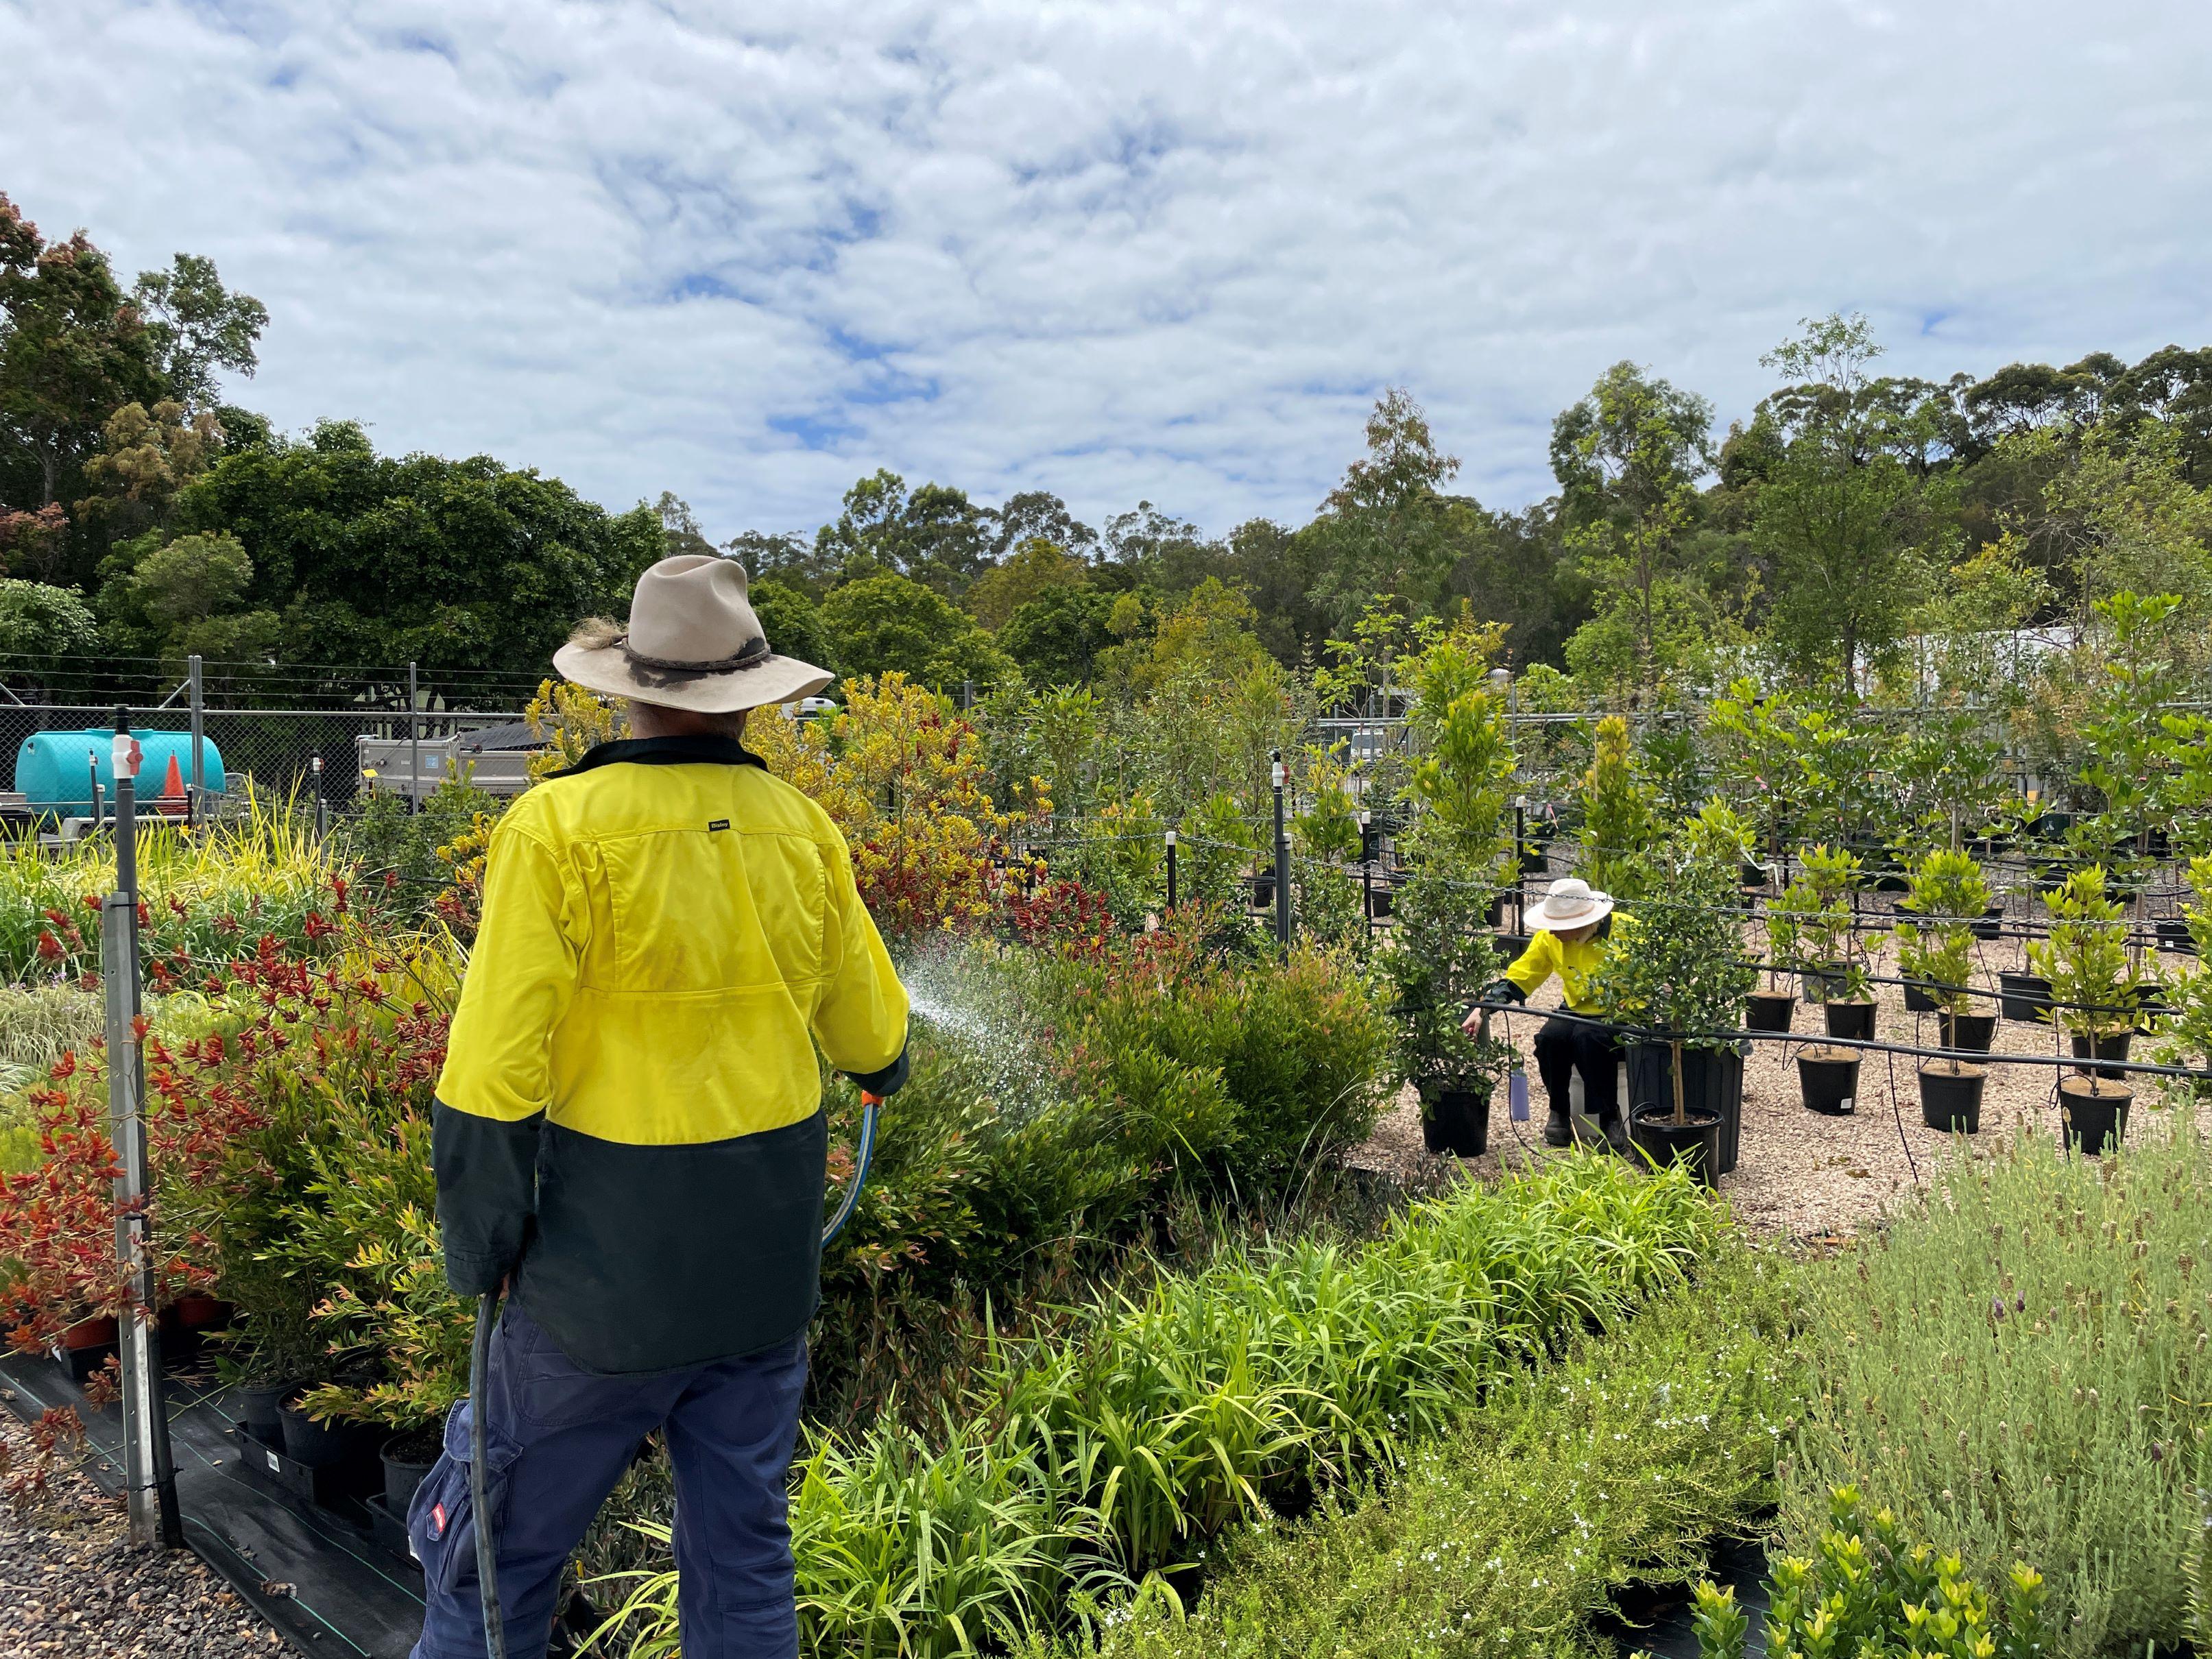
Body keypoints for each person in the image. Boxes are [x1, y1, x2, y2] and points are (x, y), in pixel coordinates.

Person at [409, 555, 911, 1659]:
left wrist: (481, 1244)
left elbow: (492, 1074)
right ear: (748, 698)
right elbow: (874, 1038)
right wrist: (884, 1075)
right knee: (743, 1559)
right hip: (759, 1284)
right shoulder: (800, 828)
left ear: (625, 686)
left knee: (492, 1559)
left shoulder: (556, 828)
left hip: (598, 1290)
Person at [1463, 877, 1626, 1149]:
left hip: (1619, 1015)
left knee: (1589, 1039)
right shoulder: (1550, 940)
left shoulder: (1627, 932)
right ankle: (1559, 1113)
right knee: (1550, 1038)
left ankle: (1609, 1118)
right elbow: (1521, 976)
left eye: (1558, 926)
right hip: (1575, 1010)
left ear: (1581, 923)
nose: (1551, 932)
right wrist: (1484, 1009)